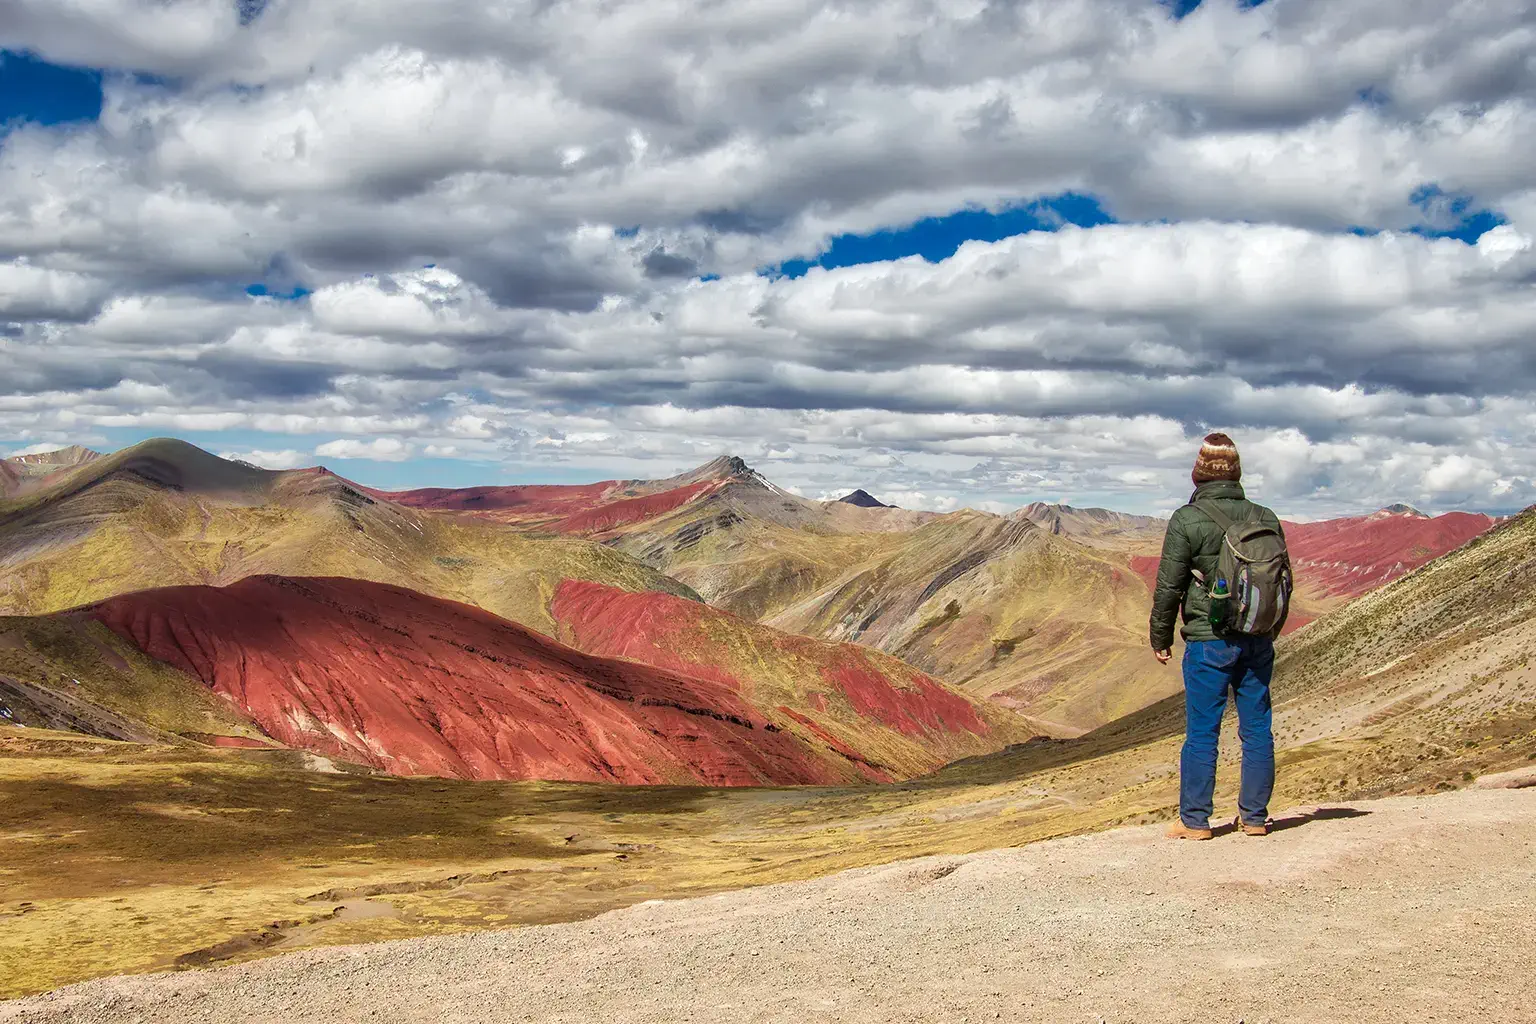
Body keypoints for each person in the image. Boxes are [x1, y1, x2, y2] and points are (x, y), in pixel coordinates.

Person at [1150, 432, 1286, 840]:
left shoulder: (1187, 520)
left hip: (1209, 641)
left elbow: (1169, 586)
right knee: (1257, 729)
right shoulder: (1265, 517)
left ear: (1199, 474)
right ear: (1237, 473)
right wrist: (1269, 630)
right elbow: (1280, 581)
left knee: (1203, 732)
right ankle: (1255, 818)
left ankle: (1195, 821)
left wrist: (1161, 637)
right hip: (1257, 638)